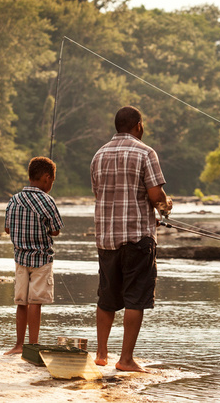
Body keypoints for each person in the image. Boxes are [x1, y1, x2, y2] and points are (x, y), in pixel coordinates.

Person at [90, 105, 173, 372]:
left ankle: (101, 354)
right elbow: (155, 196)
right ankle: (125, 360)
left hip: (106, 238)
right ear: (137, 125)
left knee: (107, 298)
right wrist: (165, 204)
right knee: (135, 298)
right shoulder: (145, 152)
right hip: (138, 236)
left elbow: (99, 194)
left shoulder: (98, 155)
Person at [4, 157, 64, 355]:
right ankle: (32, 345)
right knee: (35, 303)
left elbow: (7, 228)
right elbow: (55, 230)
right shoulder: (47, 201)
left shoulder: (14, 199)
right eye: (52, 181)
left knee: (21, 302)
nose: (51, 185)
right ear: (46, 178)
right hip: (41, 260)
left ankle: (19, 345)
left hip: (20, 259)